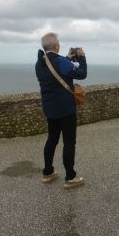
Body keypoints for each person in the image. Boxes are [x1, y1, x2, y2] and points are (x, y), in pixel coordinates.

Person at [35, 33, 87, 188]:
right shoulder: (62, 62)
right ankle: (70, 177)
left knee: (52, 139)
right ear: (56, 46)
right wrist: (82, 57)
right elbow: (82, 74)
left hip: (50, 110)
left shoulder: (40, 63)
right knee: (69, 142)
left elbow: (56, 67)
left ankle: (48, 172)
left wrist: (68, 58)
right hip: (66, 110)